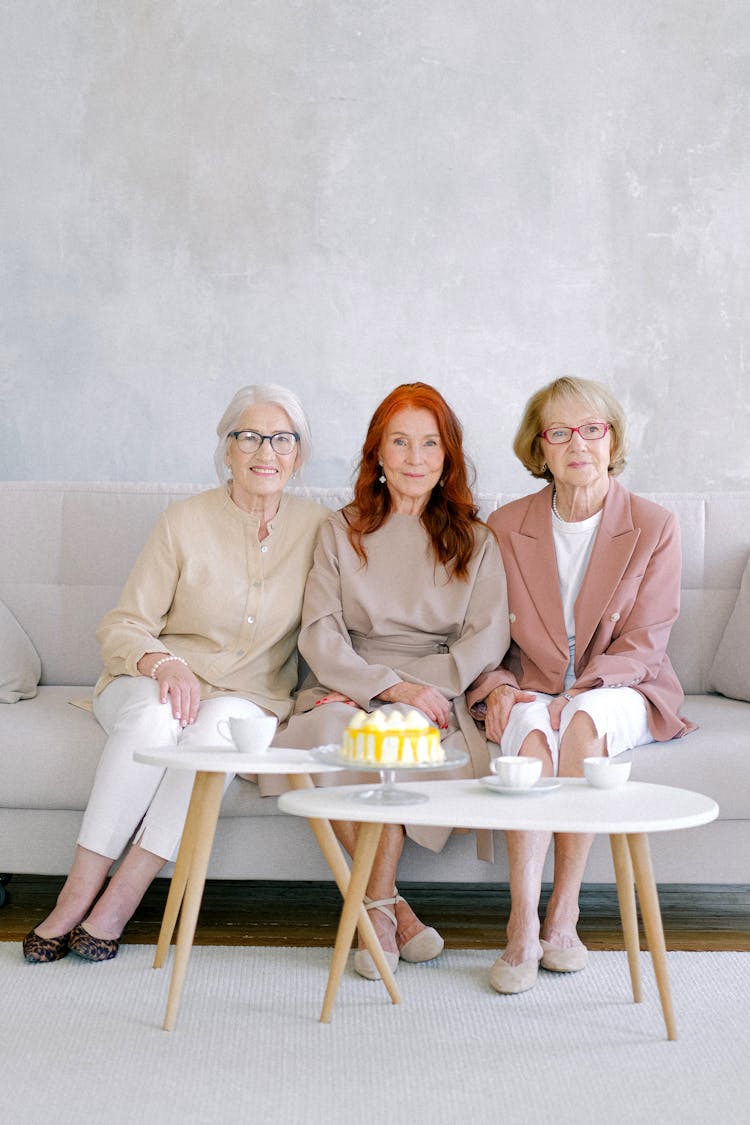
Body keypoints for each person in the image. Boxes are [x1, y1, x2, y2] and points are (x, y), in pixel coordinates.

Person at [23, 384, 327, 963]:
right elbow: (123, 625)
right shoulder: (182, 521)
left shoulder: (321, 528)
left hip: (251, 694)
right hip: (152, 681)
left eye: (282, 439)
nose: (267, 451)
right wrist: (165, 663)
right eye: (250, 437)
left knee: (213, 739)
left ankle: (122, 898)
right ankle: (75, 894)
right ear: (228, 449)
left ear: (299, 455)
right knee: (155, 722)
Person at [467, 376, 694, 995]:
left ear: (612, 437)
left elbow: (646, 641)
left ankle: (563, 916)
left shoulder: (653, 524)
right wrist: (496, 685)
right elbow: (484, 630)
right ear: (539, 448)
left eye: (592, 429)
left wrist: (575, 694)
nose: (578, 444)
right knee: (531, 742)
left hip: (623, 683)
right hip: (533, 685)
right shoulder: (506, 525)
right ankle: (521, 921)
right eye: (560, 431)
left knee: (583, 723)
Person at [277, 382, 509, 980]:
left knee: (396, 733)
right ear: (377, 454)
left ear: (447, 456)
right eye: (399, 442)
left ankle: (374, 917)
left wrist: (410, 692)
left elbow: (485, 639)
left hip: (437, 690)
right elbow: (321, 632)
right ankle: (390, 911)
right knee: (331, 730)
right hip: (349, 683)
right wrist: (379, 686)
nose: (413, 457)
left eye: (429, 444)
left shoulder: (476, 540)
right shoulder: (341, 529)